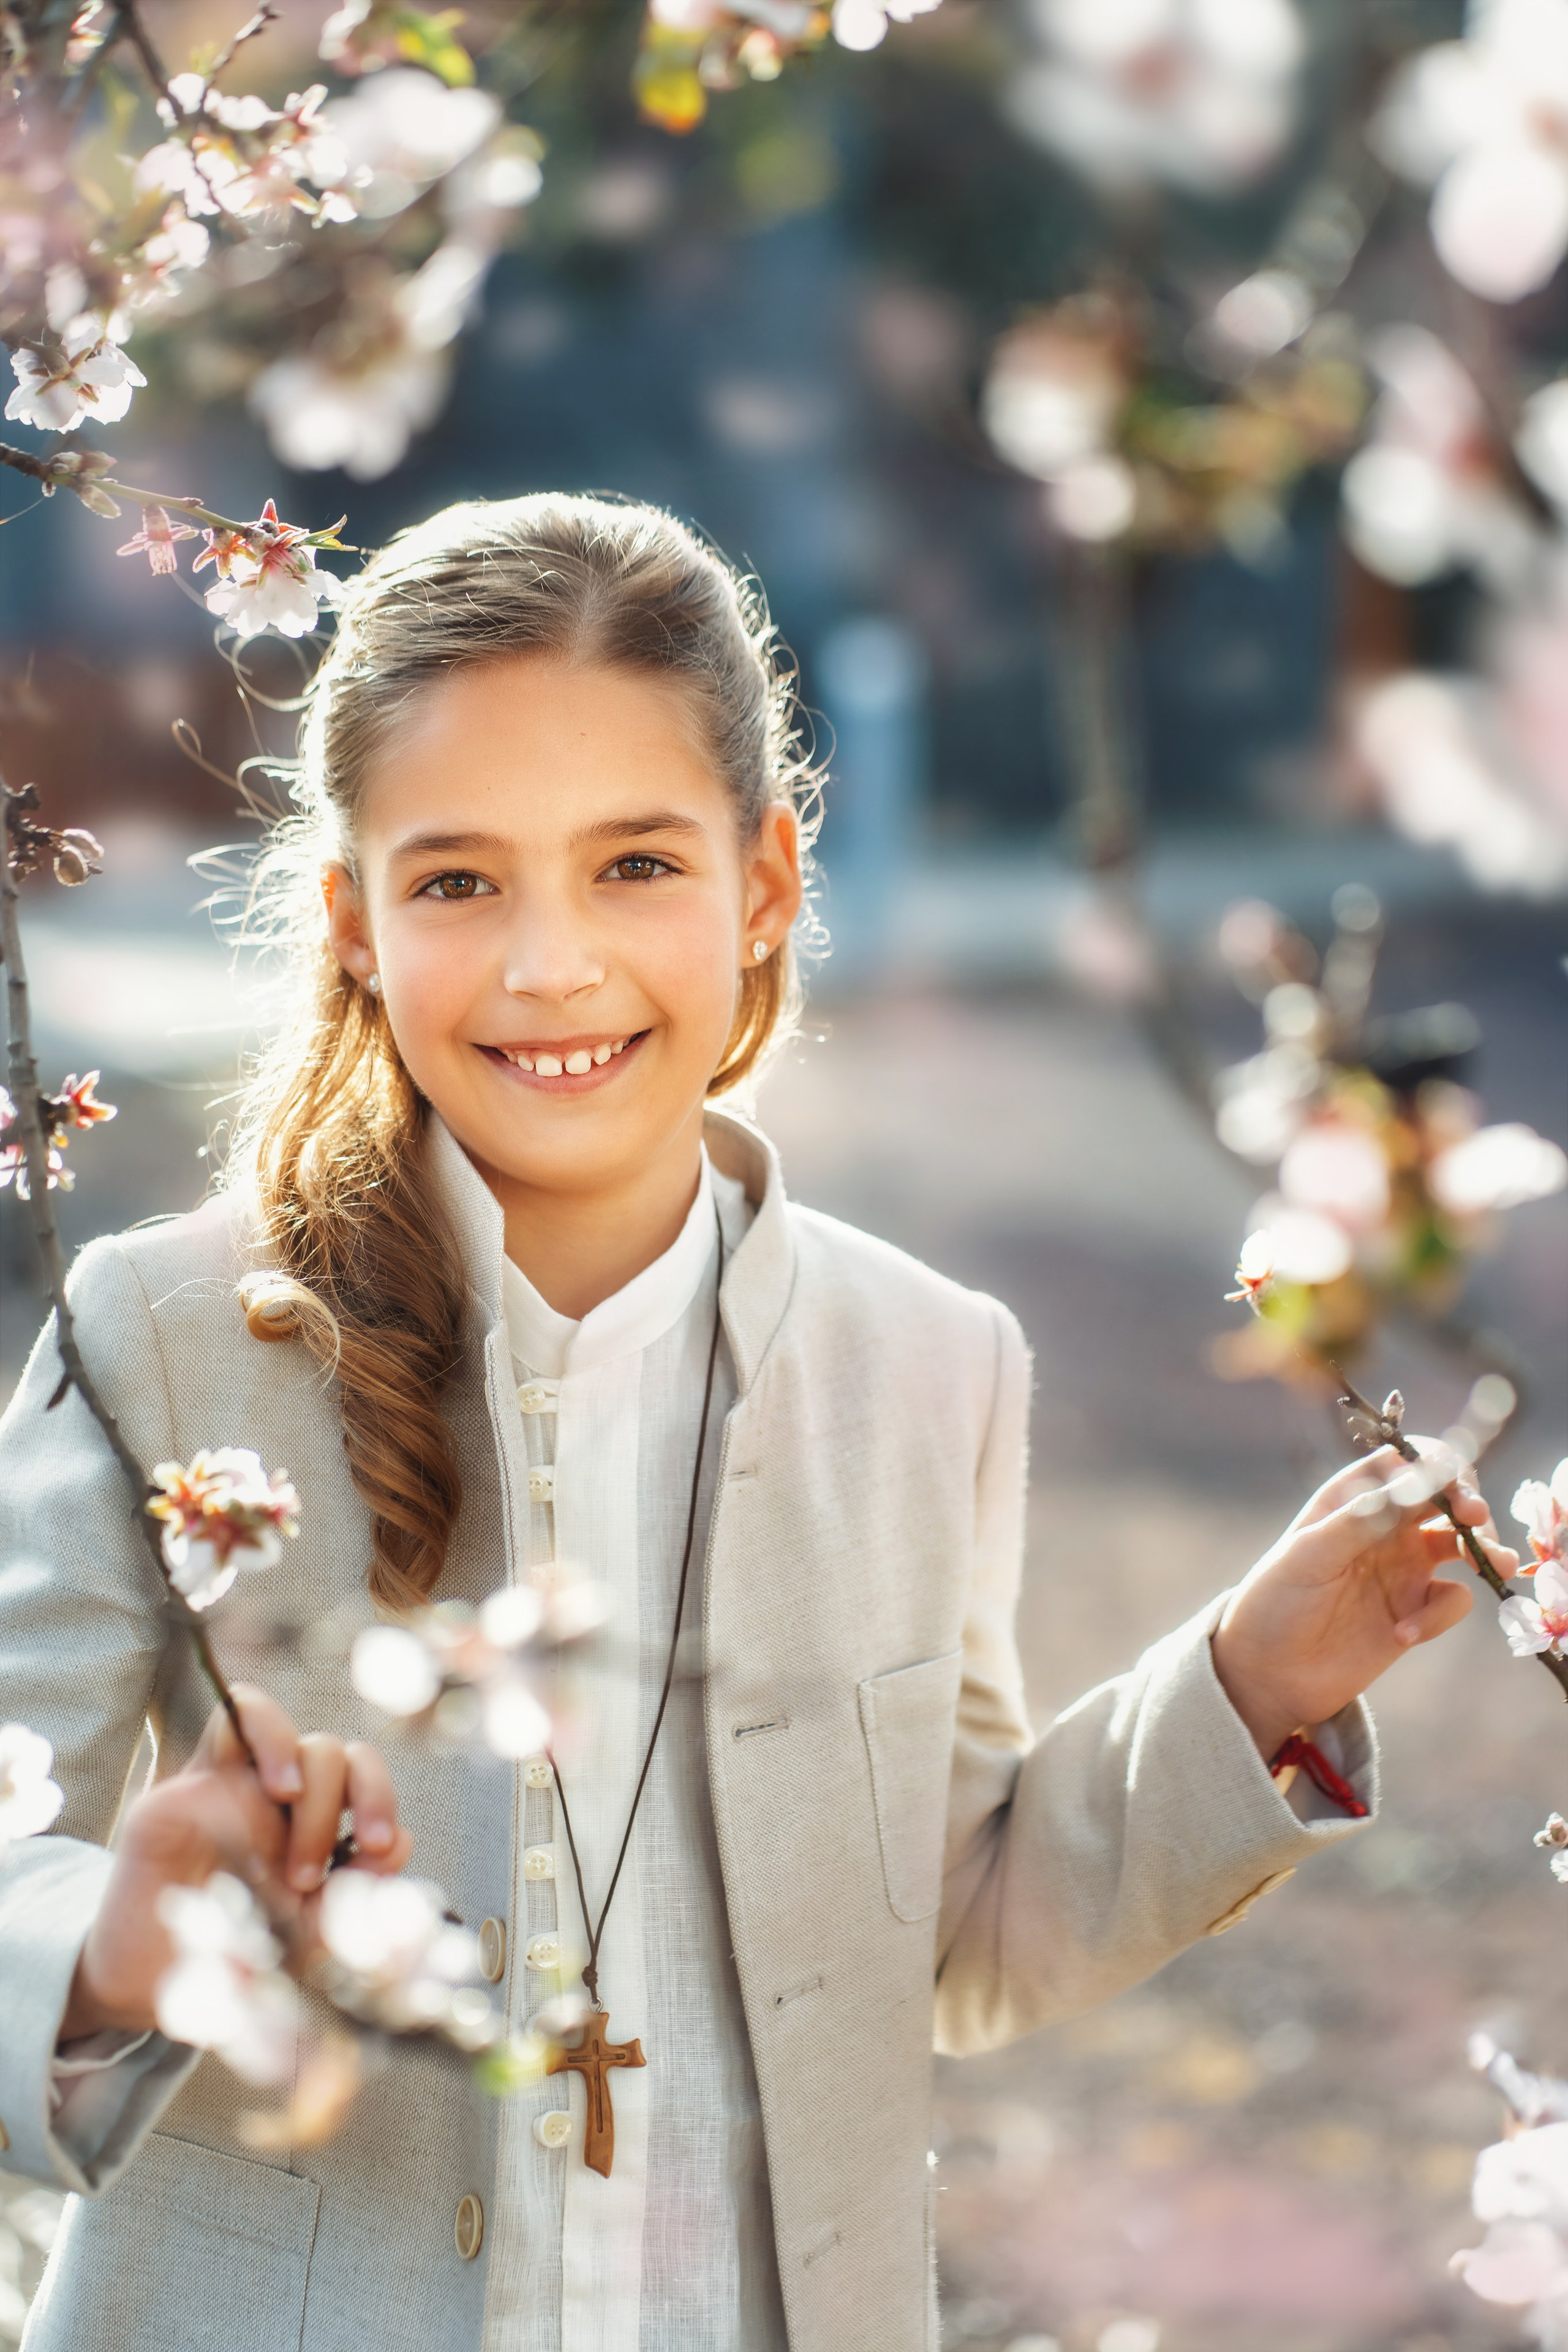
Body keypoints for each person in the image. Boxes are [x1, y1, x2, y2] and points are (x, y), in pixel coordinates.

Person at [0, 494, 1513, 2352]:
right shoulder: (160, 1338)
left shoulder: (930, 1362)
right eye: (459, 882)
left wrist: (1244, 1687)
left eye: (635, 865)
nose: (552, 965)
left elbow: (944, 1939)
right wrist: (115, 1943)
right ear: (355, 924)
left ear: (769, 882)